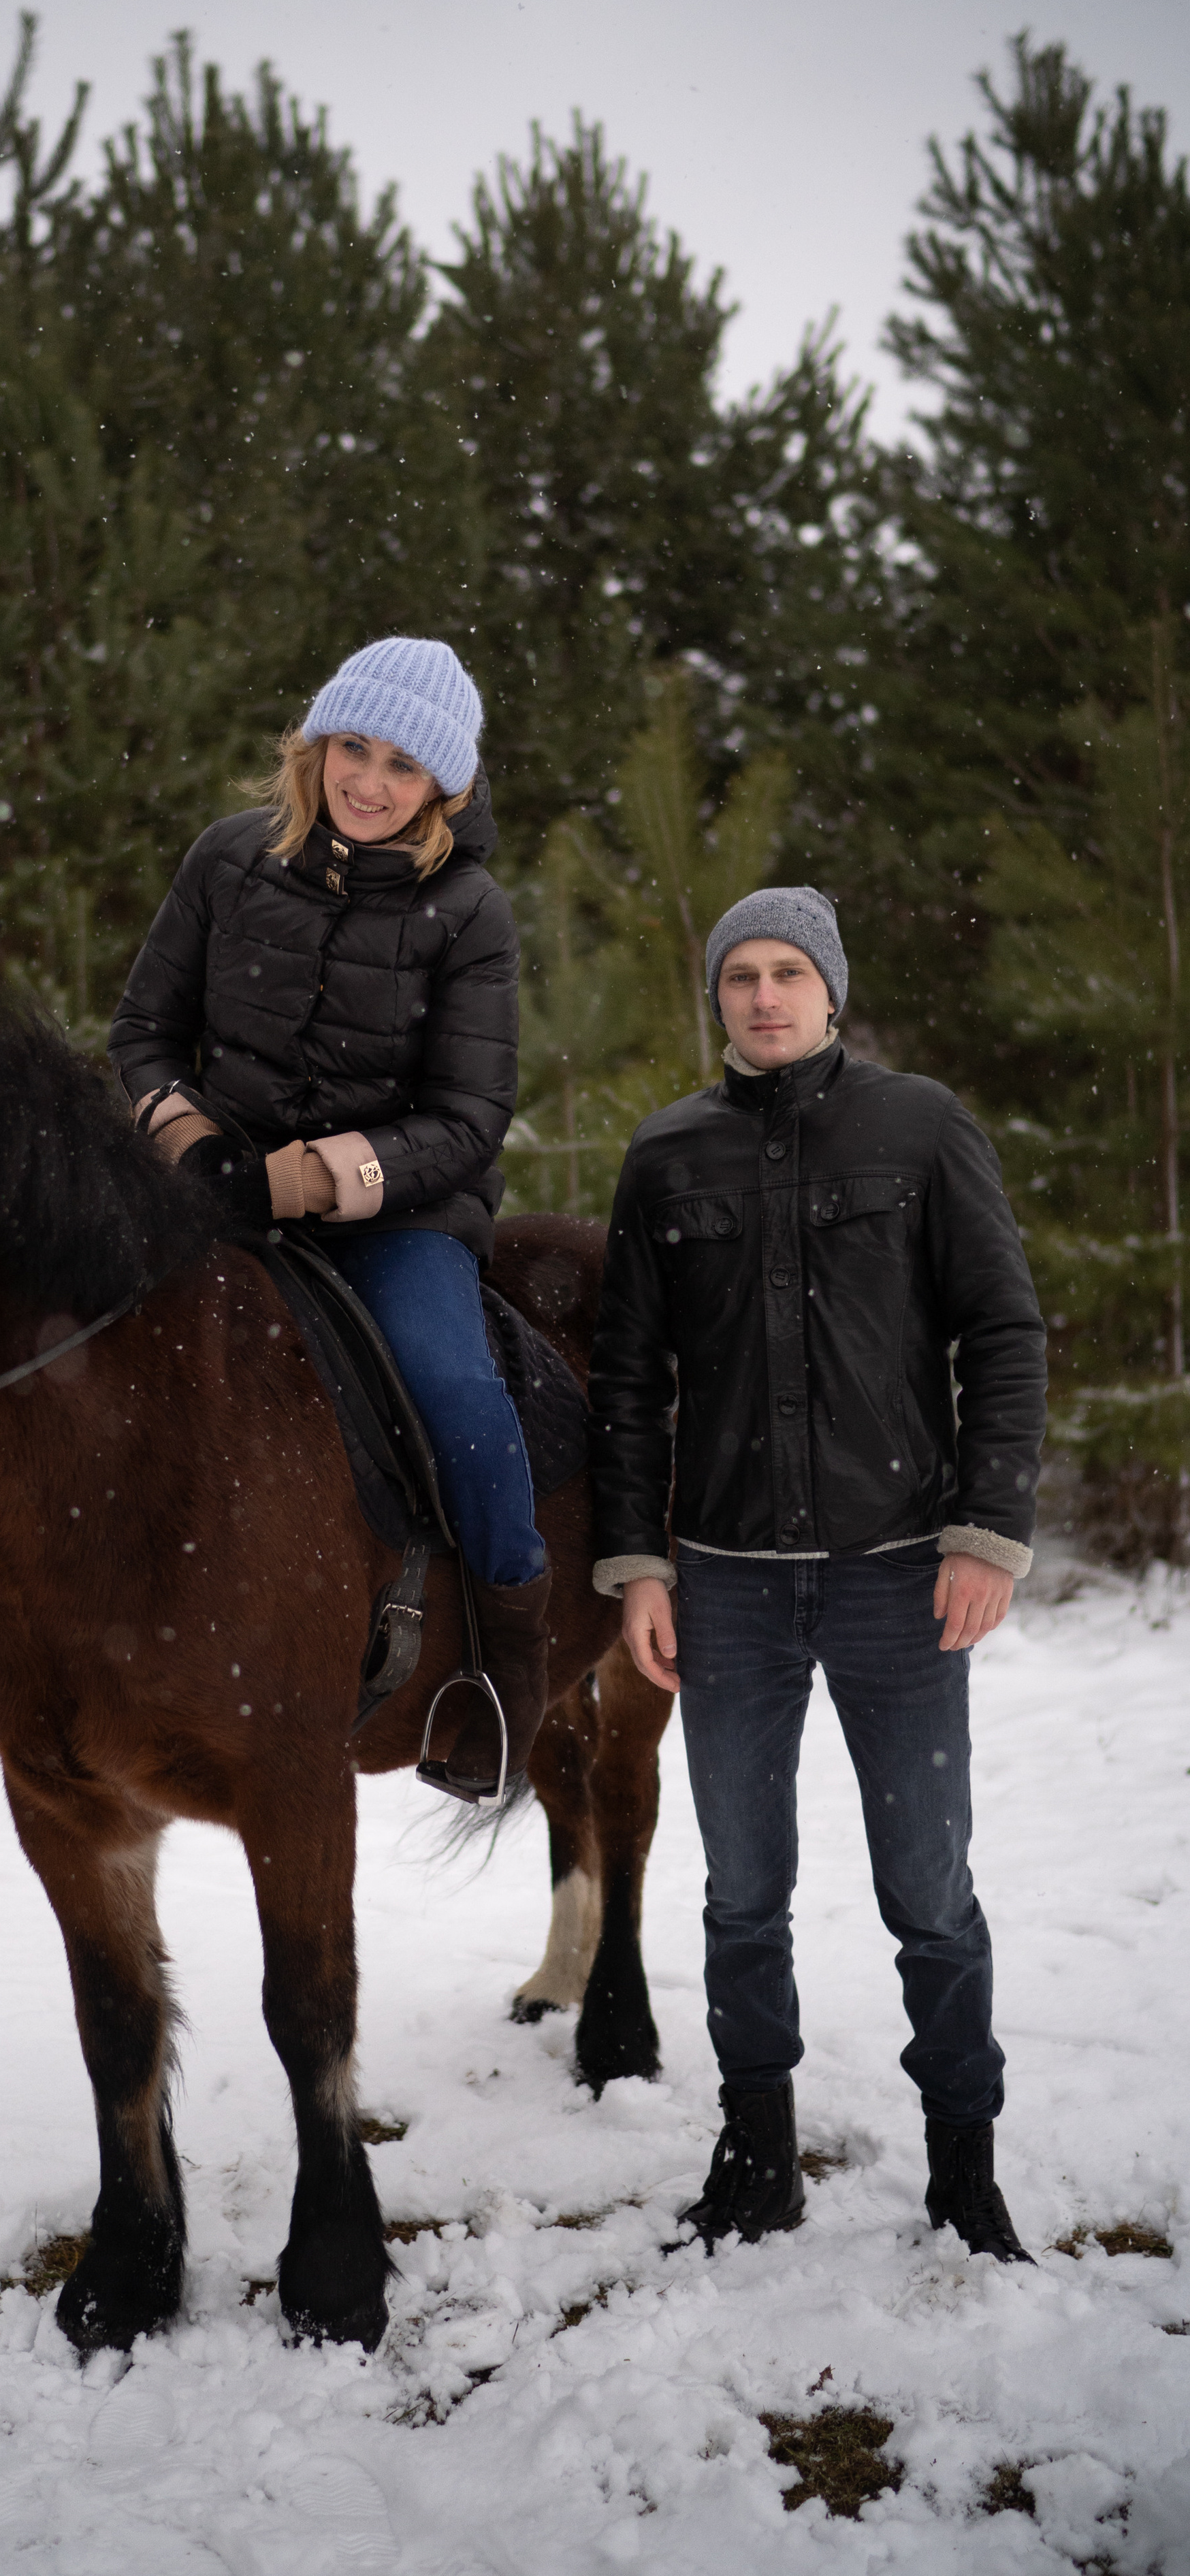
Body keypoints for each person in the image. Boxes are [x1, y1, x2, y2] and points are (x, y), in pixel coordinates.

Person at [587, 886, 1048, 2262]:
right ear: (715, 999)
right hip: (722, 1585)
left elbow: (1001, 1330)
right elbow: (626, 1385)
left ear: (829, 990)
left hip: (898, 1581)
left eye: (788, 972)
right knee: (741, 1891)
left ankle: (962, 2169)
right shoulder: (667, 1156)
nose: (764, 996)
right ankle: (755, 2155)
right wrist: (635, 1564)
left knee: (927, 1889)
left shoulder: (917, 1129)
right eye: (739, 976)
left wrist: (985, 1531)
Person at [108, 636, 547, 1801]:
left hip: (397, 1219)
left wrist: (302, 1180)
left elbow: (467, 1120)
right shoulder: (227, 859)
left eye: (403, 765)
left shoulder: (471, 912)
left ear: (443, 788)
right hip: (212, 1194)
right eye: (352, 748)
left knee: (458, 1392)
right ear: (315, 749)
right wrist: (193, 1145)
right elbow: (142, 1036)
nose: (369, 781)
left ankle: (503, 1675)